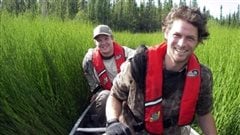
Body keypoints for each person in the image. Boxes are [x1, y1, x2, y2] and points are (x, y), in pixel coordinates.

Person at [105, 6, 217, 135]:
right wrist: (113, 123)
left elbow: (204, 114)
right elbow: (115, 96)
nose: (181, 44)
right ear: (166, 33)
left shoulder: (202, 76)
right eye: (177, 35)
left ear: (198, 42)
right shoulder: (139, 63)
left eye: (190, 38)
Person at [82, 24, 135, 127]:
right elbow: (89, 76)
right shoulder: (89, 59)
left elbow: (142, 55)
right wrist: (95, 90)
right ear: (95, 43)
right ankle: (100, 126)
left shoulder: (126, 53)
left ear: (112, 38)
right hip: (106, 93)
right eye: (99, 40)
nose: (103, 43)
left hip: (125, 93)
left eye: (106, 38)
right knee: (104, 95)